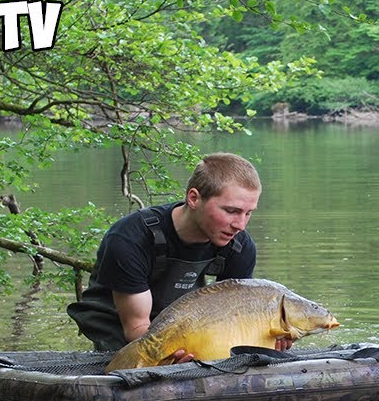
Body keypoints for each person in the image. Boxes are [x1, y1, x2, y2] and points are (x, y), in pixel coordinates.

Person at [68, 152, 285, 359]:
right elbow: (136, 329)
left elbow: (236, 317)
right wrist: (173, 353)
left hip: (186, 324)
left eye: (248, 213)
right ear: (193, 198)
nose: (240, 224)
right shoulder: (130, 238)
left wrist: (265, 337)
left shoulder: (240, 246)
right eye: (231, 211)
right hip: (124, 328)